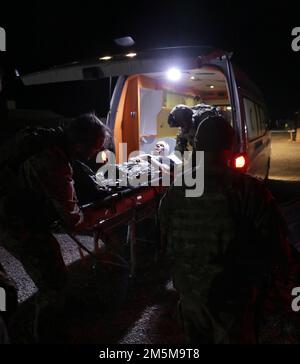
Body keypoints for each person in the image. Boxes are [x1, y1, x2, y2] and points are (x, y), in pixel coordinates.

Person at [159, 116, 291, 344]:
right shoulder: (250, 191)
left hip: (191, 299)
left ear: (197, 145)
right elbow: (277, 249)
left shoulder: (176, 190)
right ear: (231, 146)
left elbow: (163, 242)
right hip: (234, 303)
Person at [0, 113, 107, 340]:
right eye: (95, 147)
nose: (96, 153)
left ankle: (8, 329)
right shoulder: (54, 161)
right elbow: (73, 219)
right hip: (13, 223)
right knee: (54, 283)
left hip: (6, 211)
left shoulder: (39, 138)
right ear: (79, 145)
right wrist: (96, 213)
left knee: (6, 290)